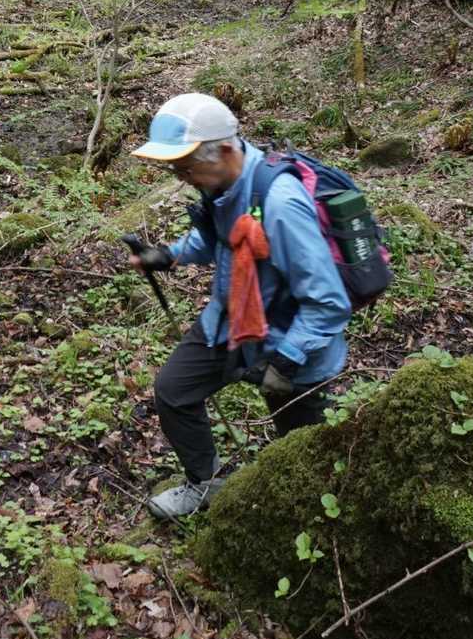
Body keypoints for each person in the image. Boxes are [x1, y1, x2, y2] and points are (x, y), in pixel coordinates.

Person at [127, 93, 352, 519]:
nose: (183, 178)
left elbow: (327, 301)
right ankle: (205, 484)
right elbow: (220, 237)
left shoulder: (281, 203)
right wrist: (169, 254)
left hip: (291, 343)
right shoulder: (222, 186)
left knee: (301, 453)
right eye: (177, 169)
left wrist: (286, 361)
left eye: (186, 168)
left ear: (227, 151)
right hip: (231, 321)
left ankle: (312, 522)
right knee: (174, 391)